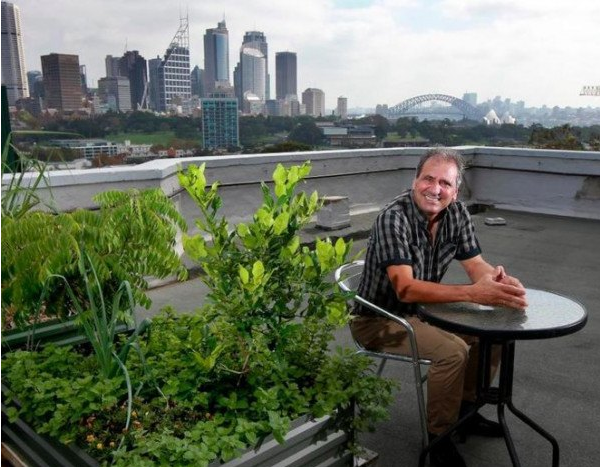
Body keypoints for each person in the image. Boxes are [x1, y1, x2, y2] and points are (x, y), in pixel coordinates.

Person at [351, 148, 528, 467]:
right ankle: (439, 439)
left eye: (445, 183)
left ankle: (467, 412)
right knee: (453, 352)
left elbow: (475, 264)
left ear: (455, 191)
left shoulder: (456, 213)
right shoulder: (393, 218)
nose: (435, 189)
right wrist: (475, 294)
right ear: (415, 180)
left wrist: (496, 281)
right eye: (428, 179)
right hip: (379, 319)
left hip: (425, 311)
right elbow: (405, 288)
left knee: (495, 332)